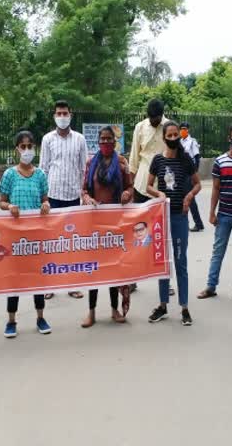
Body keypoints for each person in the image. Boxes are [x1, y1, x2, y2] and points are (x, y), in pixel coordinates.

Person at [146, 121, 201, 326]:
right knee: (163, 263)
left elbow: (197, 184)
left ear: (180, 135)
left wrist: (188, 197)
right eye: (169, 136)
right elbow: (147, 186)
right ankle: (162, 305)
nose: (172, 139)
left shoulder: (186, 159)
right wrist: (158, 193)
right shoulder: (158, 160)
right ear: (163, 137)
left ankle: (185, 307)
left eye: (175, 135)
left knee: (180, 262)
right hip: (162, 218)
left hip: (179, 216)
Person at [0, 130, 52, 337]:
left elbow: (45, 200)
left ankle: (40, 317)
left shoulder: (40, 175)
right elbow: (2, 202)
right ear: (17, 149)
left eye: (30, 146)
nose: (27, 150)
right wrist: (9, 206)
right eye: (23, 146)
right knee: (15, 278)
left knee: (37, 278)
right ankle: (11, 321)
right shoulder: (9, 175)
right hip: (15, 237)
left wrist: (46, 204)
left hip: (36, 236)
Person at [81, 126, 134, 327]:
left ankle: (114, 310)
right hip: (94, 223)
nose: (105, 143)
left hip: (115, 223)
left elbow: (130, 186)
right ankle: (91, 312)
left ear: (115, 141)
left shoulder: (121, 163)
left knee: (113, 268)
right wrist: (87, 199)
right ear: (98, 142)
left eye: (109, 139)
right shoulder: (90, 163)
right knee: (94, 269)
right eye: (102, 139)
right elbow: (84, 189)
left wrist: (127, 194)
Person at [39, 100, 87, 299]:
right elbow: (43, 168)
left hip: (73, 196)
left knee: (71, 242)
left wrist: (84, 193)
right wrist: (43, 198)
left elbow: (84, 168)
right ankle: (49, 285)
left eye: (65, 113)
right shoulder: (47, 139)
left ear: (71, 115)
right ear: (54, 115)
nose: (62, 117)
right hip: (53, 196)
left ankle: (71, 284)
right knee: (51, 242)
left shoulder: (80, 139)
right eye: (58, 113)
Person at [198, 122, 232, 302]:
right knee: (218, 251)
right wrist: (212, 212)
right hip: (224, 214)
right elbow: (215, 189)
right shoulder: (220, 161)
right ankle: (211, 286)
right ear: (229, 138)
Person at [129, 98, 171, 294]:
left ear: (161, 115)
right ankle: (133, 278)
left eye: (157, 118)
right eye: (151, 118)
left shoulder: (169, 127)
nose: (154, 121)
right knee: (138, 232)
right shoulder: (140, 127)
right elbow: (134, 157)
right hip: (141, 185)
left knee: (161, 234)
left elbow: (175, 154)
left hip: (162, 187)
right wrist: (130, 186)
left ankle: (164, 279)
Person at [180, 122, 204, 232]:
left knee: (190, 198)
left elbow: (197, 157)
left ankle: (197, 223)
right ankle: (196, 223)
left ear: (188, 130)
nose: (182, 131)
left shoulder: (192, 142)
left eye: (184, 129)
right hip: (181, 172)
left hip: (189, 173)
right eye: (181, 129)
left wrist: (194, 173)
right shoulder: (179, 142)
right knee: (185, 197)